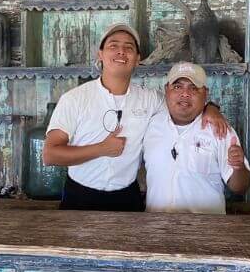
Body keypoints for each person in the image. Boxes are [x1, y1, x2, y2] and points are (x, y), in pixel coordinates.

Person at [42, 24, 230, 211]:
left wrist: (211, 108)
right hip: (80, 196)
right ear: (100, 54)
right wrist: (101, 149)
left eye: (129, 48)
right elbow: (50, 155)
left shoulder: (150, 99)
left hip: (126, 198)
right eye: (113, 46)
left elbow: (184, 107)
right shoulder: (75, 98)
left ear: (137, 59)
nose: (121, 51)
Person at [143, 62, 250, 215]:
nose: (185, 94)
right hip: (156, 229)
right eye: (177, 86)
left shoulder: (219, 129)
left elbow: (240, 187)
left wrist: (238, 167)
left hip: (205, 231)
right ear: (166, 90)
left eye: (193, 88)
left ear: (205, 93)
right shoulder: (150, 124)